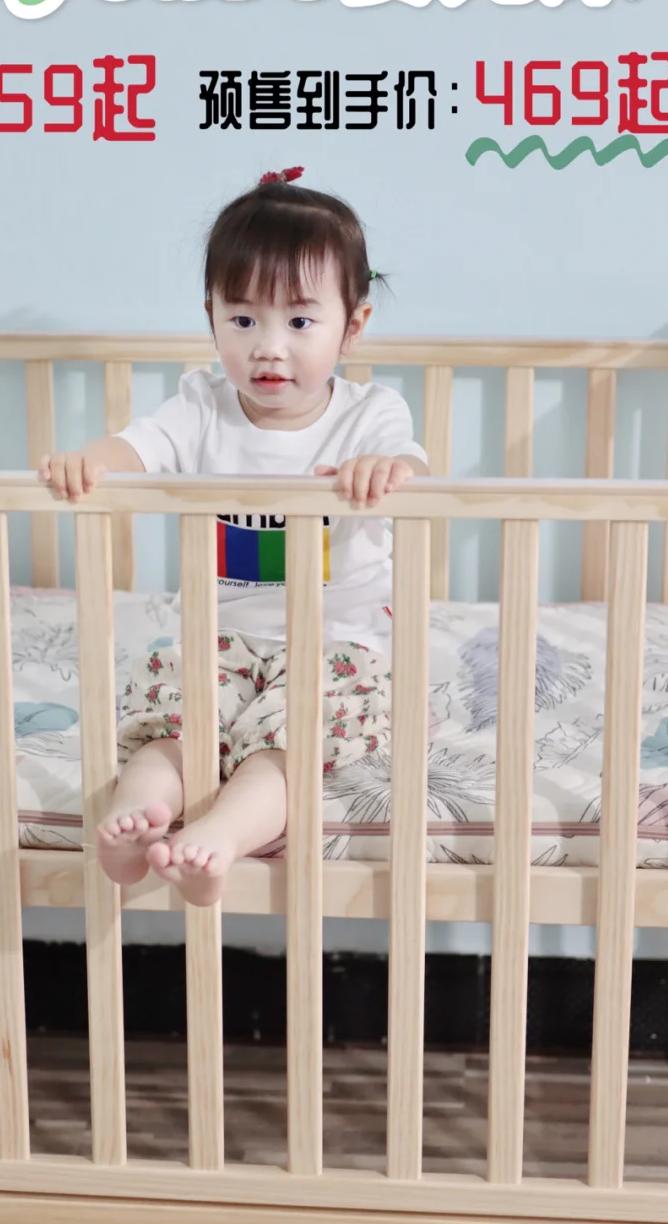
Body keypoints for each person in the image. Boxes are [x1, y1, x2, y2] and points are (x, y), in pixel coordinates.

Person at [38, 166, 429, 906]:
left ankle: (217, 838)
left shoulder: (369, 417)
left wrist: (388, 470)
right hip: (218, 639)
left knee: (284, 747)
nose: (269, 348)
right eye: (244, 320)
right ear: (211, 317)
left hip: (336, 645)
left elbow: (411, 465)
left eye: (300, 323)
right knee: (171, 728)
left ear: (353, 327)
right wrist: (93, 460)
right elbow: (139, 445)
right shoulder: (201, 406)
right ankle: (135, 820)